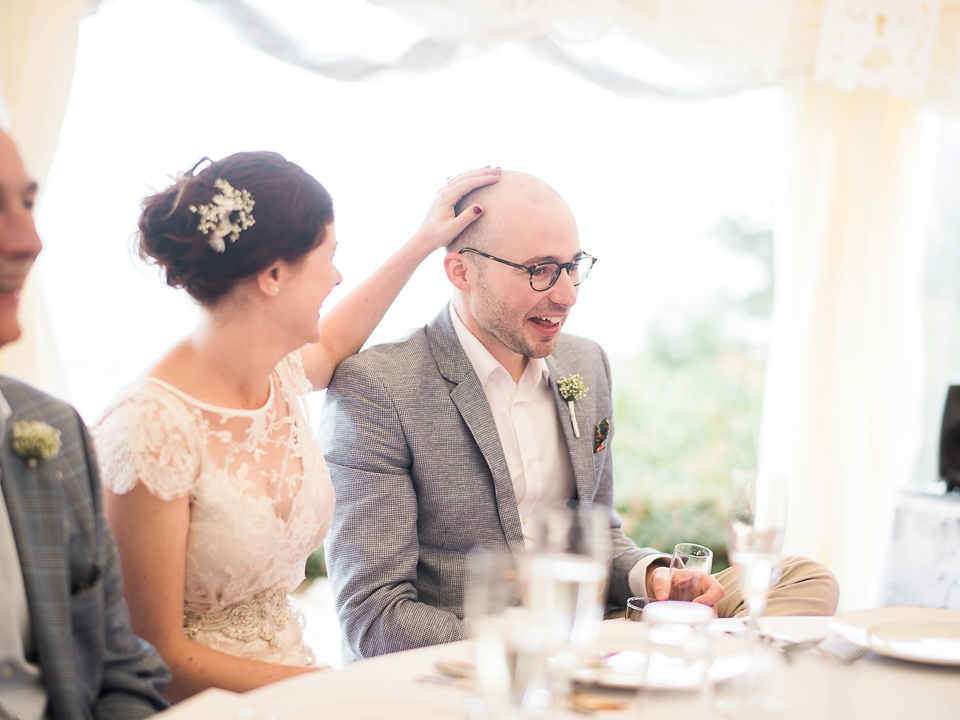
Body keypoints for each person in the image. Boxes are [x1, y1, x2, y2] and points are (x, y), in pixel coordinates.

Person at [320, 170, 840, 662]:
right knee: (752, 642)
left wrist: (652, 575)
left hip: (600, 628)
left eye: (572, 266)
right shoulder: (380, 387)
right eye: (540, 271)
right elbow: (374, 618)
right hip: (476, 656)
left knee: (802, 579)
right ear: (461, 270)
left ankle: (674, 670)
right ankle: (684, 672)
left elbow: (599, 532)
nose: (567, 295)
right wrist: (557, 642)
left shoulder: (584, 363)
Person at [93, 151, 499, 700]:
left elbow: (334, 340)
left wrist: (423, 242)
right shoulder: (149, 428)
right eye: (328, 257)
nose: (337, 276)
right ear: (274, 274)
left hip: (298, 688)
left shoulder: (277, 372)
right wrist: (332, 689)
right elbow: (152, 653)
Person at [0, 127, 170, 718]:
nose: (31, 242)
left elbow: (122, 668)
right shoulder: (149, 414)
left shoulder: (50, 430)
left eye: (26, 203)